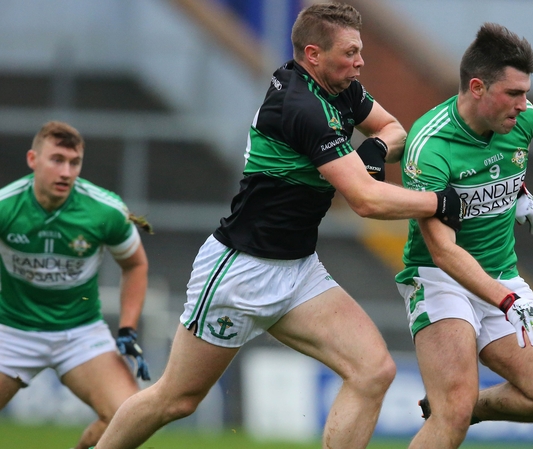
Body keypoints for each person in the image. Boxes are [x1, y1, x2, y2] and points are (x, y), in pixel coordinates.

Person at [92, 3, 463, 449]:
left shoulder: (340, 88)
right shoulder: (301, 106)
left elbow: (392, 127)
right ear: (313, 54)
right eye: (350, 52)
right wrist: (439, 202)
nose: (361, 62)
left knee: (373, 371)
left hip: (298, 270)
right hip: (241, 272)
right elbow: (364, 200)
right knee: (176, 399)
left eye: (360, 51)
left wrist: (374, 148)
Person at [395, 23, 533, 449]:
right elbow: (443, 251)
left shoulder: (524, 120)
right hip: (440, 279)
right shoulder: (430, 146)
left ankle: (468, 406)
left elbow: (503, 162)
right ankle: (456, 408)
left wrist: (520, 191)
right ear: (477, 87)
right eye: (513, 93)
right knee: (452, 415)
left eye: (526, 93)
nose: (524, 104)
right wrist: (508, 300)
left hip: (502, 275)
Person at [0, 121, 151, 449]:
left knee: (129, 417)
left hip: (80, 332)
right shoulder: (5, 206)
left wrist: (127, 329)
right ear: (32, 159)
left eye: (74, 162)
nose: (66, 172)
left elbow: (135, 265)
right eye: (57, 160)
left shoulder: (105, 210)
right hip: (11, 331)